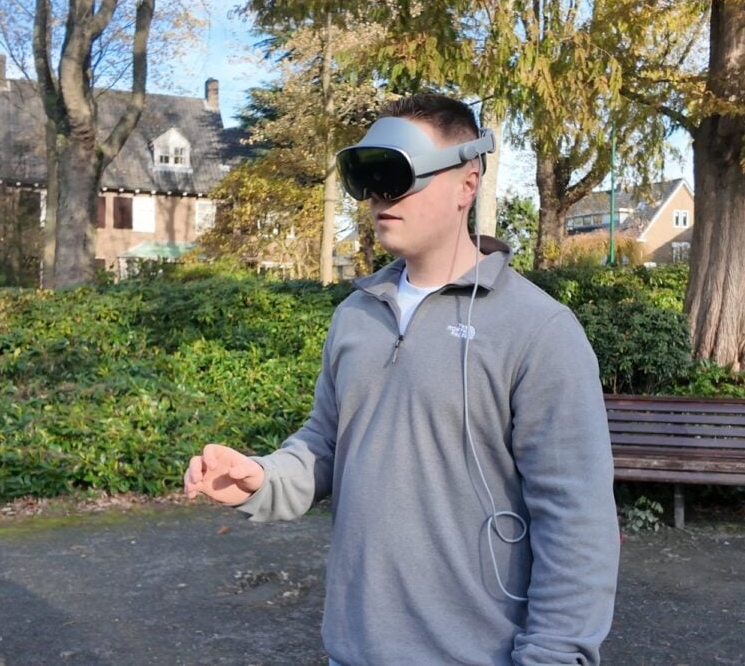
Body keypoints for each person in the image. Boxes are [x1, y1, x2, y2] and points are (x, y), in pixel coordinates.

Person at [184, 93, 620, 665]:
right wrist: (260, 480)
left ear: (467, 183)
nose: (378, 196)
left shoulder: (539, 330)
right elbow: (325, 444)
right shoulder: (356, 315)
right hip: (352, 649)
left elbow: (576, 521)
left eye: (397, 175)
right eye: (366, 178)